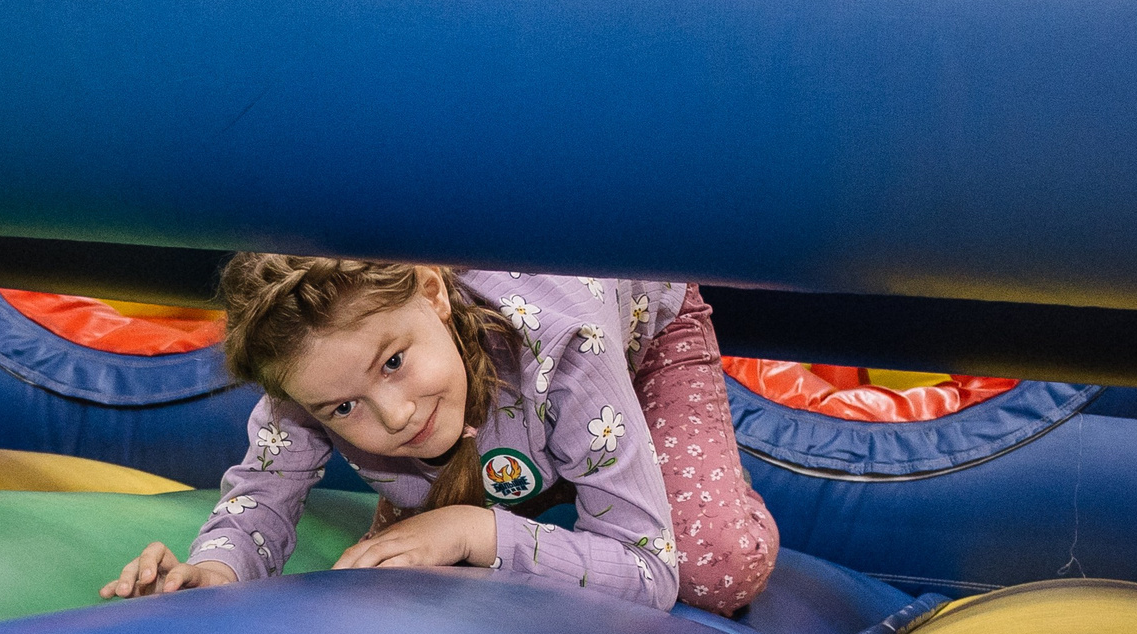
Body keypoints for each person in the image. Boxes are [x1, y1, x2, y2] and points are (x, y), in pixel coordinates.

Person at [100, 255, 778, 614]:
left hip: (637, 345)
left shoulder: (568, 344)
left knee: (716, 567)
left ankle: (687, 470)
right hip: (496, 425)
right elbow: (258, 501)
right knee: (391, 583)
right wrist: (209, 577)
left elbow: (648, 570)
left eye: (394, 362)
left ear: (433, 293)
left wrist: (471, 531)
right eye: (344, 408)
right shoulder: (318, 372)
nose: (394, 416)